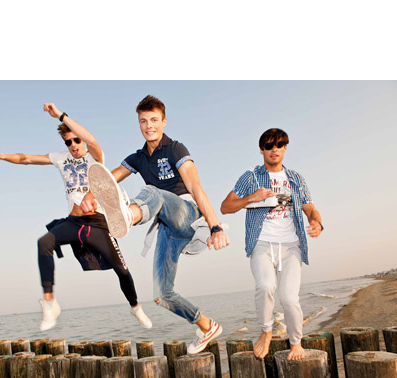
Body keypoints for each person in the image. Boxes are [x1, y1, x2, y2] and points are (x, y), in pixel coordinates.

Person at [0, 103, 152, 332]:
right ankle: (49, 303)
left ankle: (135, 307)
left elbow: (91, 140)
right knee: (44, 242)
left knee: (121, 270)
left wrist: (61, 116)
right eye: (68, 142)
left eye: (76, 140)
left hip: (97, 223)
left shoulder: (95, 157)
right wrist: (1, 155)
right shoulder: (60, 158)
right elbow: (26, 159)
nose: (73, 145)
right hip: (74, 222)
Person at [83, 95, 229, 354]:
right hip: (166, 226)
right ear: (139, 123)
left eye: (154, 120)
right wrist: (91, 193)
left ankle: (129, 215)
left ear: (164, 121)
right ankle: (207, 326)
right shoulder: (138, 157)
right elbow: (110, 178)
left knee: (153, 192)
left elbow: (196, 187)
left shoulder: (175, 149)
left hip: (186, 213)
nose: (149, 125)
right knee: (162, 295)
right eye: (143, 121)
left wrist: (214, 226)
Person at [220, 128, 323, 360]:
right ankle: (266, 331)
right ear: (261, 150)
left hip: (291, 245)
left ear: (285, 147)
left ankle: (296, 343)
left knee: (289, 297)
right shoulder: (251, 177)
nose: (273, 149)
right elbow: (225, 207)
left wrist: (316, 222)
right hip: (261, 243)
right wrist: (251, 197)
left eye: (279, 144)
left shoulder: (296, 179)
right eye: (268, 145)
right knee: (265, 286)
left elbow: (310, 209)